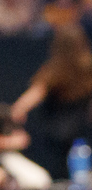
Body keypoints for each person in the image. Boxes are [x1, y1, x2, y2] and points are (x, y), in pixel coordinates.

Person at [10, 23, 92, 179]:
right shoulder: (80, 70)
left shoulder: (53, 71)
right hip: (78, 139)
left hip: (54, 139)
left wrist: (17, 116)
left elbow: (25, 103)